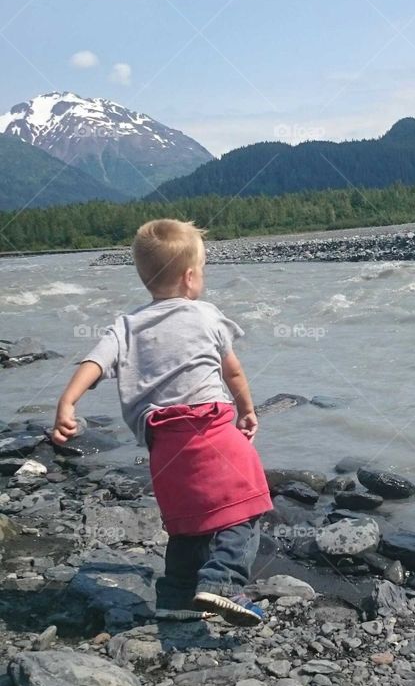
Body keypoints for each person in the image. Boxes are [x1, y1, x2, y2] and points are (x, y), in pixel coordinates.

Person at [51, 218, 272, 626]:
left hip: (164, 446)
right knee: (246, 505)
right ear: (190, 277)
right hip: (212, 430)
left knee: (187, 522)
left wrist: (67, 402)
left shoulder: (126, 325)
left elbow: (94, 363)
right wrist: (247, 410)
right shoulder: (206, 316)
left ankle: (176, 596)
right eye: (201, 271)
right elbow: (233, 372)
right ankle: (222, 581)